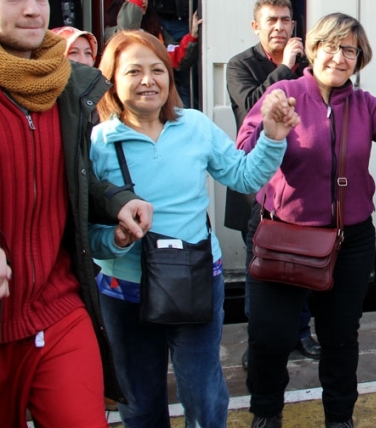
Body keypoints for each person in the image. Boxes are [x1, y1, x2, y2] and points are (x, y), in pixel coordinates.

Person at [88, 29, 297, 427]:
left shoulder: (195, 126)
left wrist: (272, 138)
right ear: (112, 80)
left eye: (158, 70)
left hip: (196, 279)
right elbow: (87, 232)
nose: (148, 80)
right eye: (133, 71)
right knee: (139, 399)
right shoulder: (97, 143)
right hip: (123, 291)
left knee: (203, 394)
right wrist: (113, 240)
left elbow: (243, 177)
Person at [237, 13, 376, 428]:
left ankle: (340, 417)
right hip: (283, 236)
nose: (339, 57)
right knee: (269, 338)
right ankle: (266, 412)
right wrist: (272, 130)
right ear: (312, 49)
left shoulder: (366, 105)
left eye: (350, 50)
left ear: (359, 59)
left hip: (350, 241)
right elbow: (245, 151)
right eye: (330, 46)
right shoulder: (284, 92)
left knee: (341, 339)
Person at [0, 0, 152, 428]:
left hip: (59, 309)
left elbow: (73, 178)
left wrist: (117, 201)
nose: (32, 9)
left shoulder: (69, 89)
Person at [225, 0, 319, 366]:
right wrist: (284, 67)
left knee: (304, 264)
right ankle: (260, 341)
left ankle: (301, 333)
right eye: (271, 21)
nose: (280, 27)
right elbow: (250, 102)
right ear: (256, 27)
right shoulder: (240, 65)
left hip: (301, 181)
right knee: (260, 266)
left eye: (286, 20)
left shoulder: (308, 64)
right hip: (260, 184)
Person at [105, 0, 200, 83]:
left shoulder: (155, 30)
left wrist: (193, 36)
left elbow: (177, 59)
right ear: (120, 2)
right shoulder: (111, 32)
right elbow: (127, 33)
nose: (143, 0)